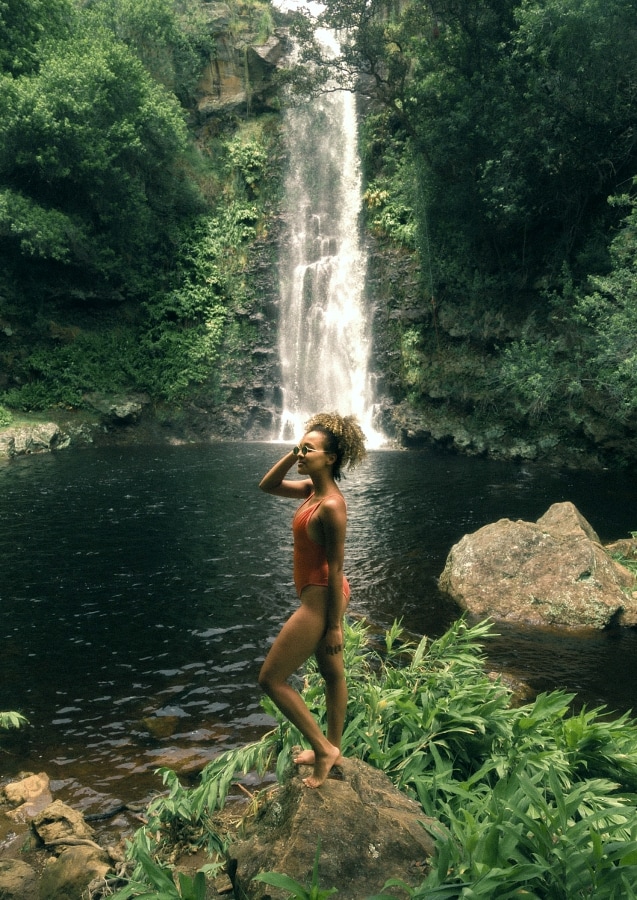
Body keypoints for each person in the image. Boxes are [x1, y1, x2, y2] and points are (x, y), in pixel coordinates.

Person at [258, 413, 367, 788]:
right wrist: (292, 453)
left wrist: (334, 625)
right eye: (300, 447)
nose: (302, 454)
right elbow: (267, 485)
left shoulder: (332, 506)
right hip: (318, 595)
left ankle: (322, 748)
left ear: (331, 458)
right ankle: (333, 749)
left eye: (309, 450)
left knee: (271, 678)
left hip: (322, 599)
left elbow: (336, 567)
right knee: (332, 674)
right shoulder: (310, 491)